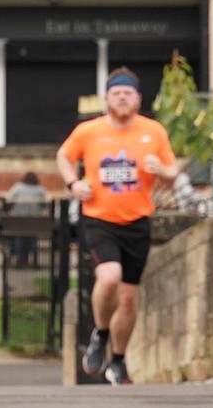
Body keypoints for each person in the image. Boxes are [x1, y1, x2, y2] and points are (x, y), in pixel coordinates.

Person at [56, 68, 181, 387]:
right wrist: (73, 183)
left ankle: (119, 361)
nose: (122, 97)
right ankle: (99, 333)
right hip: (99, 218)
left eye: (128, 93)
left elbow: (173, 171)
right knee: (109, 277)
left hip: (137, 220)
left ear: (138, 99)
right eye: (116, 93)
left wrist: (162, 170)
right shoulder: (89, 131)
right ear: (106, 98)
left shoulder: (153, 131)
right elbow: (64, 156)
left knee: (128, 298)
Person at [5, 170, 50, 265]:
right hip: (34, 220)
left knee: (18, 237)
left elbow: (9, 200)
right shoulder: (40, 189)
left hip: (19, 219)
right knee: (33, 238)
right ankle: (33, 260)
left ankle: (18, 258)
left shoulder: (18, 187)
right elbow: (45, 204)